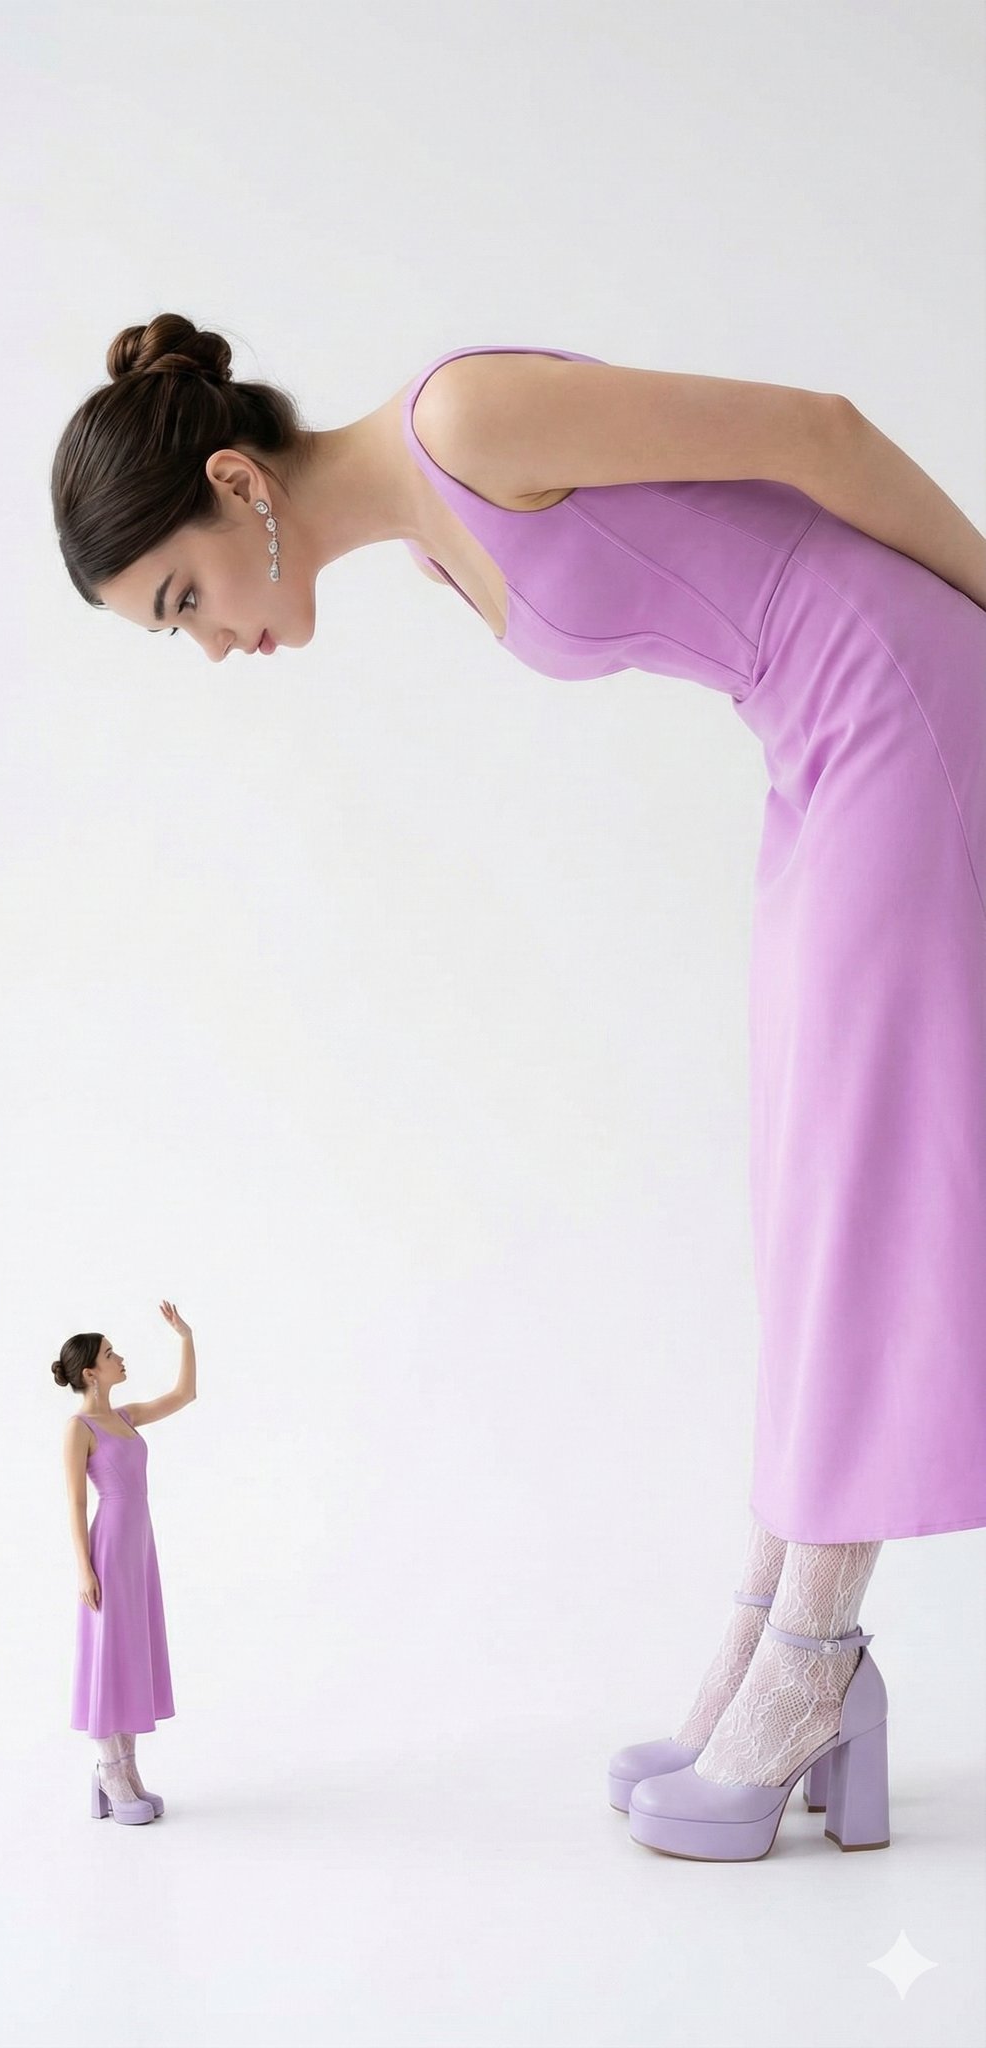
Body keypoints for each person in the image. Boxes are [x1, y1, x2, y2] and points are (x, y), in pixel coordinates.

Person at [50, 314, 986, 1860]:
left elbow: (812, 429)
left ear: (235, 482)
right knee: (799, 1178)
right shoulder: (432, 535)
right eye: (176, 631)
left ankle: (812, 1664)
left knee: (856, 1178)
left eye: (183, 599)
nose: (211, 644)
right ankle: (771, 1637)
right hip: (812, 746)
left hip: (897, 705)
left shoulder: (464, 421)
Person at [54, 1298, 193, 1824]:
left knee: (132, 1650)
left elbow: (184, 1394)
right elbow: (74, 1501)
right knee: (110, 1653)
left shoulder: (126, 1416)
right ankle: (108, 1770)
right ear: (90, 1372)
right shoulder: (79, 1428)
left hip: (139, 1546)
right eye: (110, 1354)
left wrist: (185, 1338)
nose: (120, 1359)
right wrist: (84, 1568)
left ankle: (128, 1771)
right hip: (109, 1544)